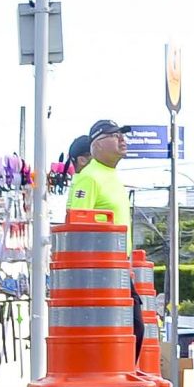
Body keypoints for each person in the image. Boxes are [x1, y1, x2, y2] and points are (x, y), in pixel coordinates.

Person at [64, 120, 144, 357]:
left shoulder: (111, 176)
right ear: (97, 144)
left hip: (118, 265)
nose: (122, 140)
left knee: (133, 326)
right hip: (99, 270)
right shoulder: (89, 178)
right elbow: (76, 223)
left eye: (123, 135)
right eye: (114, 135)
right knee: (131, 325)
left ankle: (126, 373)